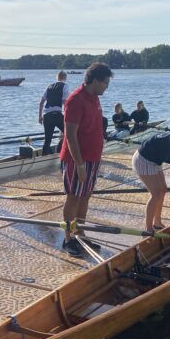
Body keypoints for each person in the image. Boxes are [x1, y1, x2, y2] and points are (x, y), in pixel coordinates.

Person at [59, 61, 113, 257]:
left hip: (93, 158)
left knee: (86, 195)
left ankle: (79, 233)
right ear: (95, 80)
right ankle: (67, 238)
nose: (107, 87)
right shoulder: (75, 100)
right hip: (77, 160)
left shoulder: (94, 98)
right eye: (105, 83)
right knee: (73, 197)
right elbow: (70, 135)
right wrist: (79, 164)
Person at [38, 70, 70, 155]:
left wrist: (40, 117)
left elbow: (41, 102)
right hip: (57, 115)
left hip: (46, 116)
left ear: (57, 77)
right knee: (69, 134)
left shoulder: (49, 86)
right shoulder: (65, 86)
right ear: (65, 78)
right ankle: (63, 151)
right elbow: (66, 103)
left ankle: (44, 157)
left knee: (47, 139)